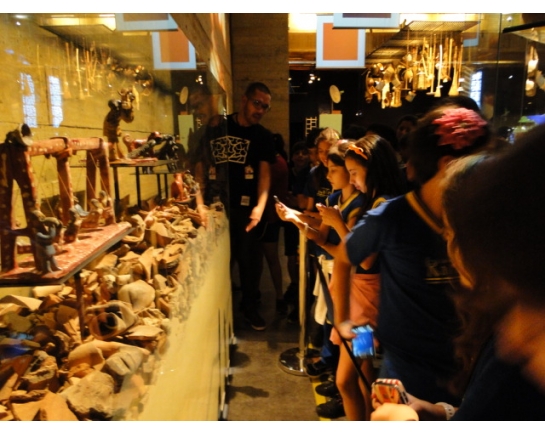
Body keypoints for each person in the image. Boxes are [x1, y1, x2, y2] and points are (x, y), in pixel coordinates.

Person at [332, 106, 494, 406]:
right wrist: (342, 321)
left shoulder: (476, 221)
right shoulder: (391, 216)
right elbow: (345, 259)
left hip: (464, 365)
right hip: (405, 367)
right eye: (482, 166)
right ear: (449, 165)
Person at [372, 146, 545, 420]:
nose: (516, 338)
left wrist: (404, 422)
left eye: (450, 231)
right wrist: (441, 412)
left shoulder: (510, 356)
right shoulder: (498, 325)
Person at [313, 134, 406, 420]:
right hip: (362, 297)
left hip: (365, 303)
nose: (352, 180)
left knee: (345, 380)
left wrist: (337, 223)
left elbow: (364, 259)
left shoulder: (382, 205)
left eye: (354, 172)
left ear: (372, 169)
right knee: (364, 372)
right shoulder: (377, 201)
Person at [276, 140, 366, 419]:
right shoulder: (335, 199)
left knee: (361, 355)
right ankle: (343, 391)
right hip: (339, 279)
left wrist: (330, 227)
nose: (328, 176)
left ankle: (356, 400)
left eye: (335, 170)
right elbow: (323, 237)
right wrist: (294, 219)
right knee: (339, 337)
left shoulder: (363, 205)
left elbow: (356, 254)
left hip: (361, 290)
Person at [194, 82, 276, 331]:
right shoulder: (218, 127)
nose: (260, 110)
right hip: (216, 206)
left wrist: (260, 207)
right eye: (257, 103)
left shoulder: (263, 136)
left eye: (265, 107)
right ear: (244, 100)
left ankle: (249, 307)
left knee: (249, 262)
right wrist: (199, 203)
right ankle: (217, 310)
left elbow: (264, 176)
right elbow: (200, 166)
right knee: (218, 262)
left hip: (245, 209)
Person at [255, 133, 290, 315]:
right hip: (269, 217)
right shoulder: (280, 161)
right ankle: (271, 295)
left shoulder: (275, 164)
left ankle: (279, 296)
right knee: (265, 258)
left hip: (269, 217)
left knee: (270, 258)